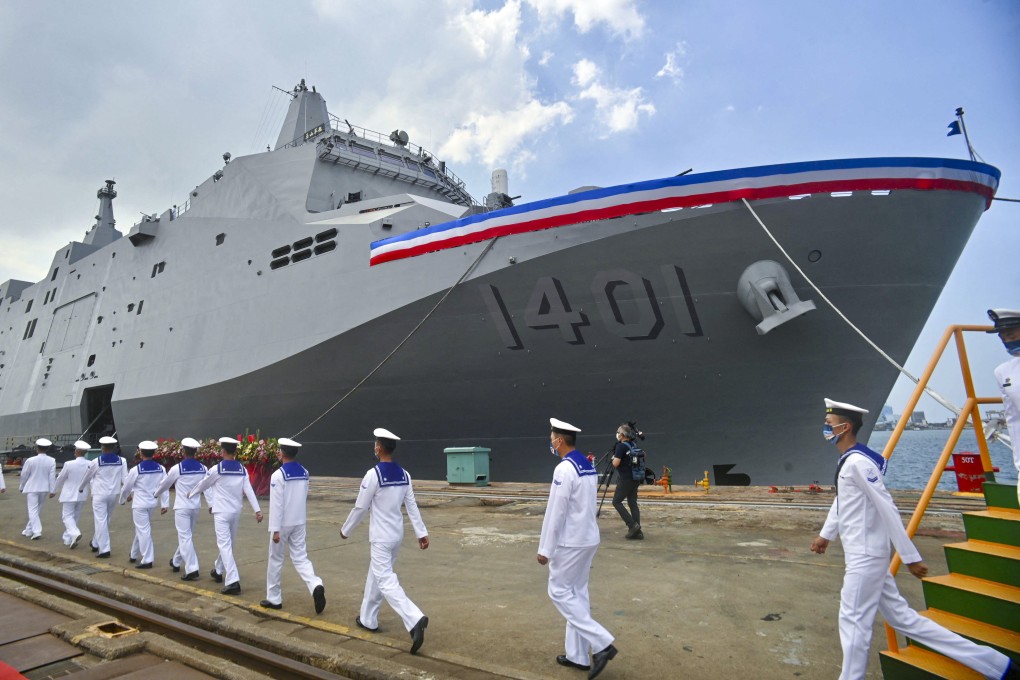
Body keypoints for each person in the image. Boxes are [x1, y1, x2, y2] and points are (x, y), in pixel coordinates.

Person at [810, 398, 1016, 680]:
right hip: (865, 554)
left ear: (844, 428)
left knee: (853, 622)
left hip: (865, 556)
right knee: (903, 619)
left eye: (829, 424)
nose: (825, 427)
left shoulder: (858, 462)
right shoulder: (850, 460)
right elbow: (843, 501)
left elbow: (887, 508)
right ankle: (997, 665)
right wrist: (825, 535)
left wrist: (910, 556)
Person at [538, 418, 617, 680]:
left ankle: (602, 642)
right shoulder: (587, 465)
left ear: (560, 440)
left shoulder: (564, 469)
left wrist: (545, 548)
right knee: (577, 593)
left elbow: (556, 512)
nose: (551, 442)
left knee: (559, 591)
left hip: (570, 541)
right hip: (588, 537)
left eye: (552, 438)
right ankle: (577, 655)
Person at [340, 428, 429, 655]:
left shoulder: (373, 475)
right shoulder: (405, 475)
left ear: (379, 448)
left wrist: (346, 530)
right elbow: (412, 506)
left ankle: (414, 618)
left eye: (375, 443)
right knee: (376, 576)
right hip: (396, 536)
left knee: (386, 580)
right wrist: (421, 532)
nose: (374, 446)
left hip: (380, 538)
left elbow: (361, 507)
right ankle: (368, 618)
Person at [189, 436, 263, 595]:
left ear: (223, 451)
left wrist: (191, 493)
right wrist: (257, 510)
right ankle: (218, 570)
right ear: (235, 451)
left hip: (221, 512)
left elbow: (204, 484)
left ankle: (233, 581)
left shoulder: (217, 469)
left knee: (224, 545)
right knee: (229, 544)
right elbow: (249, 490)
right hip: (236, 512)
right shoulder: (242, 469)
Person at [261, 437, 325, 613]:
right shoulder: (305, 472)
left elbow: (276, 505)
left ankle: (274, 598)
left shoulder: (278, 475)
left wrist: (275, 530)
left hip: (282, 523)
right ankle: (315, 584)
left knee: (276, 559)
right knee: (301, 557)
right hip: (299, 521)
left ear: (282, 453)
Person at [154, 437, 207, 581]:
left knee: (185, 537)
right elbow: (207, 487)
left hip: (182, 507)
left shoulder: (177, 468)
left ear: (183, 451)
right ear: (195, 452)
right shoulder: (203, 468)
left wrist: (156, 494)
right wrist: (211, 504)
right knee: (187, 537)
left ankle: (192, 568)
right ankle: (176, 561)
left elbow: (165, 484)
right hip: (195, 507)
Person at [118, 441, 169, 569]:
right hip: (152, 503)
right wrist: (164, 504)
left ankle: (147, 559)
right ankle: (133, 554)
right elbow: (165, 486)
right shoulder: (161, 468)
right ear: (154, 453)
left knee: (143, 530)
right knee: (141, 529)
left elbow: (126, 487)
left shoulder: (136, 469)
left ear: (141, 453)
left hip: (139, 504)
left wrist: (122, 499)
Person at [988, 308, 1020, 504]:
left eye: (1011, 335)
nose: (1008, 341)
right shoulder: (1003, 372)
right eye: (1003, 338)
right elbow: (1013, 419)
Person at [79, 436, 127, 558]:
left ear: (103, 448)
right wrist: (127, 494)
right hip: (113, 494)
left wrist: (81, 487)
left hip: (99, 494)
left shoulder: (96, 461)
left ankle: (104, 549)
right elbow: (125, 479)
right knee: (106, 519)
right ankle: (95, 543)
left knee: (100, 521)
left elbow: (87, 476)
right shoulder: (122, 461)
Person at [50, 440, 91, 548]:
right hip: (82, 494)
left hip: (69, 494)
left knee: (67, 516)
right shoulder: (90, 463)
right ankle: (69, 539)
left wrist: (53, 490)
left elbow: (60, 478)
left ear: (76, 452)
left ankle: (74, 533)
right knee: (75, 516)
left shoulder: (69, 464)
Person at [611, 422, 644, 540]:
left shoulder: (621, 446)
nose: (617, 434)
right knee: (632, 503)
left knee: (616, 501)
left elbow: (616, 463)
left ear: (623, 435)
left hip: (625, 478)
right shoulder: (633, 444)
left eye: (618, 432)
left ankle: (632, 525)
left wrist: (613, 458)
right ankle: (638, 532)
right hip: (635, 478)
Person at [19, 438, 57, 540]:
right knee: (37, 510)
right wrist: (52, 490)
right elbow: (52, 477)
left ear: (37, 448)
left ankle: (37, 531)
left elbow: (24, 475)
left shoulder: (30, 460)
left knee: (32, 510)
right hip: (44, 488)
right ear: (47, 449)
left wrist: (22, 486)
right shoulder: (52, 460)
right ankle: (28, 530)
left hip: (32, 488)